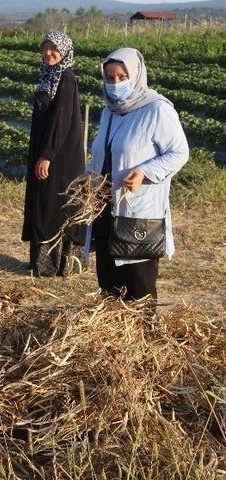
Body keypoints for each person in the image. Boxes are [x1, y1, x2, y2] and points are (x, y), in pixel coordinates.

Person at [86, 48, 188, 303]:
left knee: (139, 288)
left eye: (122, 77)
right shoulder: (109, 111)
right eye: (110, 78)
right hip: (105, 210)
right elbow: (104, 154)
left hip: (137, 215)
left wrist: (145, 172)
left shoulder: (156, 109)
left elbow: (178, 152)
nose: (116, 84)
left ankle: (144, 339)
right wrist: (88, 175)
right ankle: (112, 338)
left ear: (136, 74)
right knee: (109, 288)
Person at [21, 31, 86, 277]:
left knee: (55, 204)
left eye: (54, 49)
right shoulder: (49, 76)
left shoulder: (66, 78)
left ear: (65, 51)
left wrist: (47, 154)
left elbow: (62, 120)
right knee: (46, 202)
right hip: (47, 150)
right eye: (45, 48)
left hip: (61, 157)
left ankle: (58, 264)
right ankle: (44, 264)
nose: (49, 53)